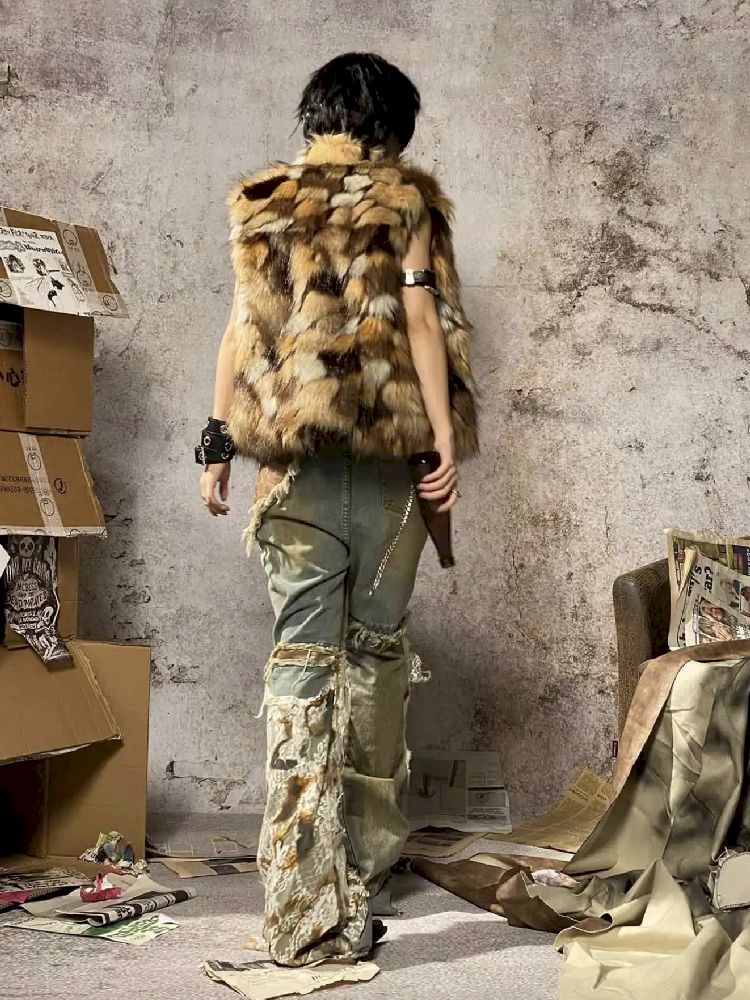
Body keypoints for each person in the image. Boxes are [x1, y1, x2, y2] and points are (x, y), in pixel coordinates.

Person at [197, 52, 479, 966]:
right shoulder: (405, 201)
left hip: (293, 476)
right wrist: (442, 439)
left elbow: (242, 328)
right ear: (389, 125)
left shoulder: (264, 203)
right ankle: (362, 869)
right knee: (376, 662)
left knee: (301, 667)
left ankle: (298, 897)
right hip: (389, 475)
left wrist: (216, 444)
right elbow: (422, 319)